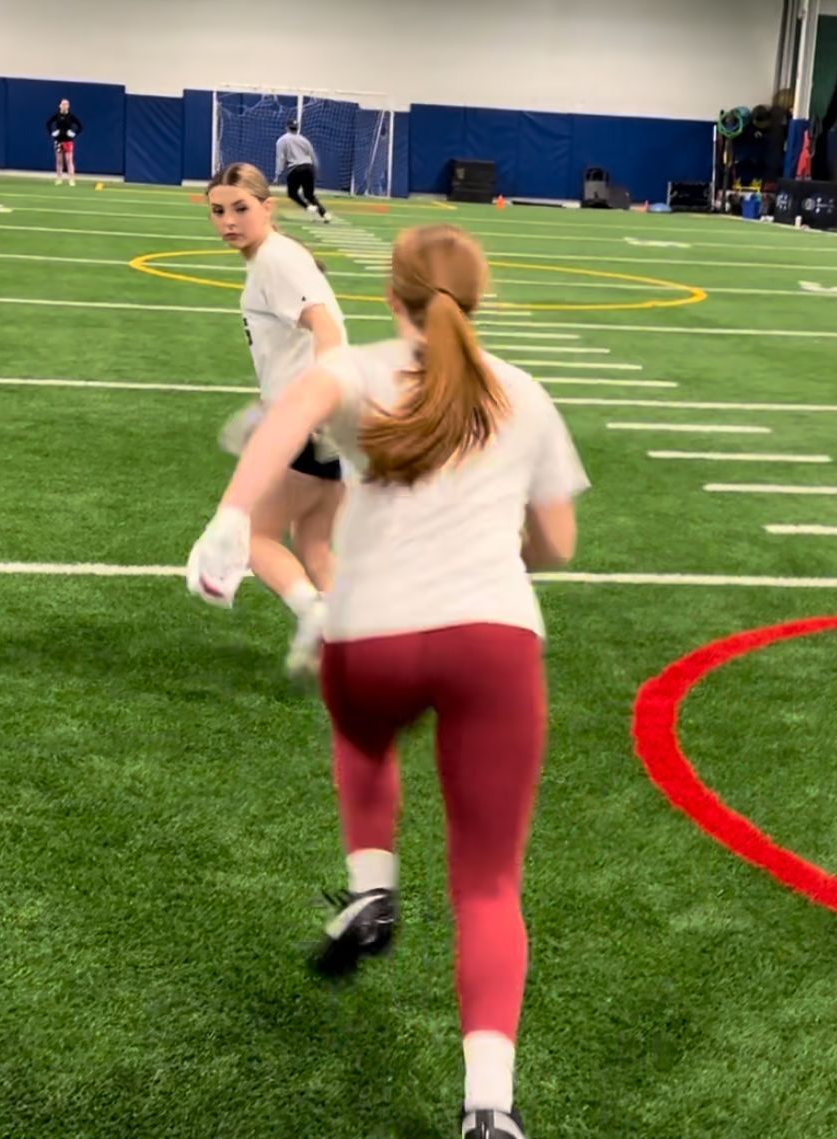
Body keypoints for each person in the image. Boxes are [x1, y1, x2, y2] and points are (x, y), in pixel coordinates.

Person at [185, 223, 589, 1139]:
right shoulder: (523, 392)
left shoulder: (355, 372)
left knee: (360, 729)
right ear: (475, 296)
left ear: (390, 295)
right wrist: (503, 541)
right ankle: (489, 1109)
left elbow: (279, 424)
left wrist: (225, 523)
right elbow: (555, 545)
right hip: (493, 639)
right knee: (489, 885)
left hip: (373, 632)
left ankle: (372, 882)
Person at [203, 161, 347, 677]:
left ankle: (317, 616)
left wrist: (312, 411)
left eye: (240, 209)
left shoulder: (274, 261)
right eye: (218, 211)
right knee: (313, 545)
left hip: (311, 419)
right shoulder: (276, 257)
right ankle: (357, 651)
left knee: (255, 538)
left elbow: (325, 331)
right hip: (324, 416)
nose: (228, 221)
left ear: (268, 208)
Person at [275, 119, 332, 223]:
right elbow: (313, 156)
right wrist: (315, 169)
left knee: (292, 193)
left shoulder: (282, 140)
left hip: (295, 168)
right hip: (308, 167)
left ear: (287, 127)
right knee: (309, 195)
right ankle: (324, 214)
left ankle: (308, 207)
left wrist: (278, 174)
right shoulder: (304, 140)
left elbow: (281, 158)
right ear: (297, 128)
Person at [46, 99, 83, 186]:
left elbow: (80, 126)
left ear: (68, 106)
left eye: (66, 104)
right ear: (60, 106)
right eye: (63, 104)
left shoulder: (71, 116)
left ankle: (71, 180)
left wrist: (74, 133)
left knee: (69, 160)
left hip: (68, 141)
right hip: (58, 141)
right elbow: (48, 124)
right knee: (59, 161)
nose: (64, 106)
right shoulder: (57, 115)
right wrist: (52, 133)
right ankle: (59, 178)